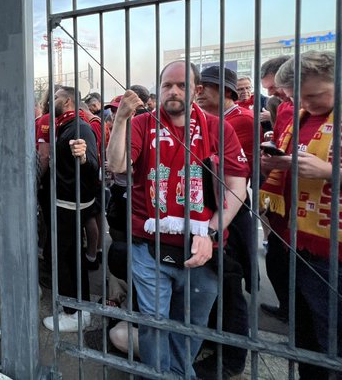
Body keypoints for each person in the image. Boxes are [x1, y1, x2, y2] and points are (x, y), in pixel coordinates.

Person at [107, 61, 248, 377]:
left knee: (191, 326)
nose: (173, 91)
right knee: (154, 326)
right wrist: (120, 121)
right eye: (167, 85)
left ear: (197, 91)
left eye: (182, 85)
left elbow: (237, 186)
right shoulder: (143, 123)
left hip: (203, 251)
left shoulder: (218, 128)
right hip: (150, 249)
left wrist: (211, 232)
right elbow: (117, 165)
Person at [259, 50, 341, 378]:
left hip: (333, 250)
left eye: (316, 94)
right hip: (297, 240)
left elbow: (322, 169)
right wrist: (278, 162)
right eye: (301, 97)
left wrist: (329, 171)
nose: (307, 102)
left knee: (332, 338)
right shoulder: (302, 117)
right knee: (306, 334)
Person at [195, 65, 255, 378]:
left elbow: (237, 180)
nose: (199, 92)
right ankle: (213, 340)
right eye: (199, 86)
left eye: (206, 87)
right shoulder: (212, 121)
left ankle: (231, 360)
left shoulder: (239, 120)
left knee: (230, 288)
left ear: (227, 92)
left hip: (232, 212)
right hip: (212, 209)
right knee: (214, 283)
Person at [42, 86, 99, 333]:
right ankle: (80, 307)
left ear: (66, 101)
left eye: (55, 97)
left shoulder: (79, 127)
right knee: (71, 256)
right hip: (66, 204)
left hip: (69, 206)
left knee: (63, 258)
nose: (50, 101)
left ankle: (72, 314)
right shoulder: (67, 125)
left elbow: (93, 166)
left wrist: (85, 158)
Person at [259, 55, 295, 322]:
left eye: (275, 88)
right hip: (279, 195)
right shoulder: (283, 109)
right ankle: (288, 309)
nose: (272, 93)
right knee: (277, 259)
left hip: (311, 209)